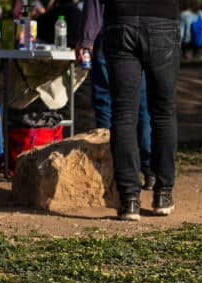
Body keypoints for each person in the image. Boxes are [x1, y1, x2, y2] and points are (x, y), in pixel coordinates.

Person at [77, 0, 179, 221]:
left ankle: (130, 200)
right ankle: (163, 194)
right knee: (163, 112)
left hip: (120, 21)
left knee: (123, 114)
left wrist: (87, 36)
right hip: (162, 22)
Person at [79, 0, 155, 197]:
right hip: (149, 32)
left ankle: (112, 167)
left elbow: (95, 4)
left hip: (113, 31)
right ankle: (149, 168)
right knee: (142, 103)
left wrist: (87, 39)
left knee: (108, 102)